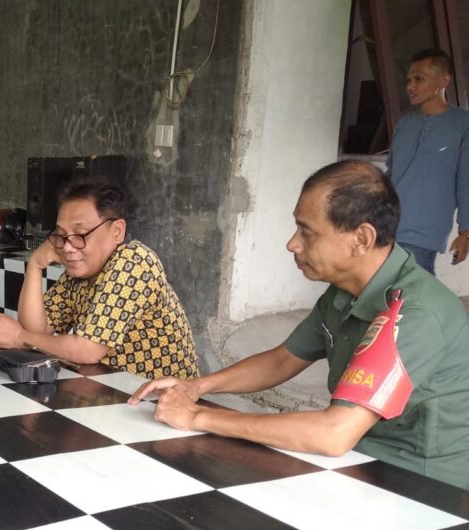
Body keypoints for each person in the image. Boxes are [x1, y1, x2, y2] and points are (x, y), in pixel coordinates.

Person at [130, 160, 469, 490]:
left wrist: (197, 417)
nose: (292, 244)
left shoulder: (416, 312)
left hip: (423, 487)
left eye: (307, 232)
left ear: (362, 239)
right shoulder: (343, 292)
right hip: (360, 459)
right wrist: (197, 387)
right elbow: (283, 359)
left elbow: (333, 433)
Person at [0, 177, 199, 378]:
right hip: (112, 390)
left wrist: (19, 338)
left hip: (162, 400)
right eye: (62, 235)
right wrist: (35, 265)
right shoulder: (81, 272)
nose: (67, 247)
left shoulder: (133, 261)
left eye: (80, 234)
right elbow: (38, 330)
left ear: (117, 231)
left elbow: (88, 350)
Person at [387, 48, 469, 275]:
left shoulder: (463, 125)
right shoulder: (405, 124)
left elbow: (466, 181)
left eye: (419, 79)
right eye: (409, 80)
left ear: (443, 81)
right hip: (386, 226)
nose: (410, 87)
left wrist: (465, 232)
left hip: (423, 233)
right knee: (385, 291)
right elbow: (390, 174)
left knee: (412, 290)